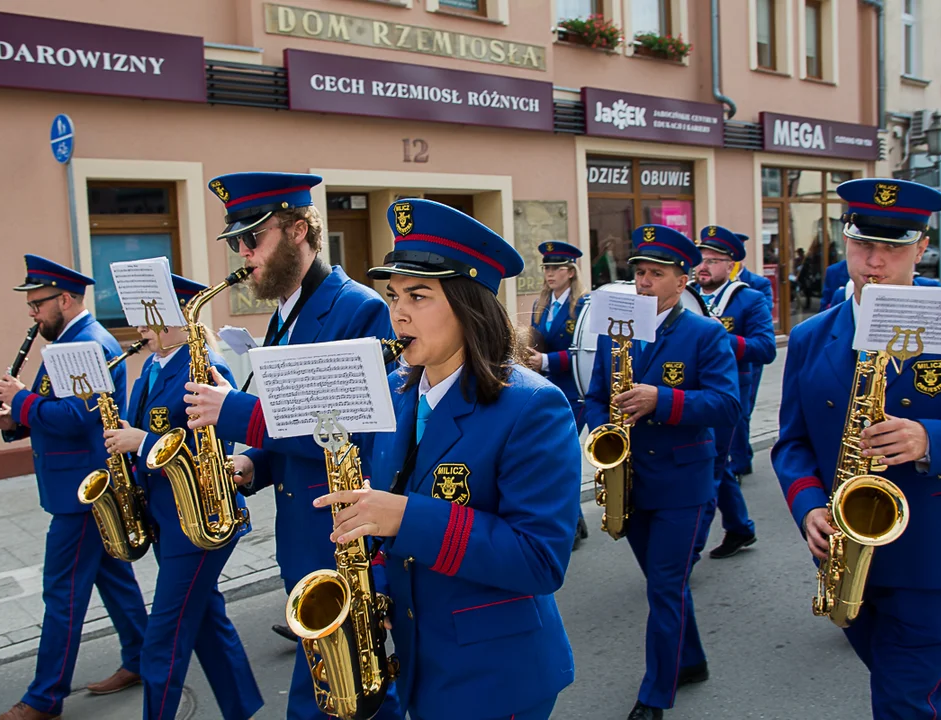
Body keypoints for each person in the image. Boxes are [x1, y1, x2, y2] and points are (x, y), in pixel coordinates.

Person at [312, 198, 579, 719]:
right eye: (393, 296)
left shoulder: (533, 406)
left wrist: (403, 516)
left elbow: (540, 561)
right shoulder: (396, 392)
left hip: (496, 675)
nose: (398, 312)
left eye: (418, 295)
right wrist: (378, 588)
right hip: (423, 661)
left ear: (467, 304)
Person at [181, 172, 402, 720]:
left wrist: (236, 413)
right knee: (344, 691)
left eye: (253, 237)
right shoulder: (284, 310)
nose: (242, 251)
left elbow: (351, 431)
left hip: (342, 533)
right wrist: (251, 464)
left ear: (300, 230)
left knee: (354, 694)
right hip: (304, 535)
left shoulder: (359, 309)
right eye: (236, 241)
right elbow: (296, 418)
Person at [773, 178, 941, 720]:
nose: (874, 262)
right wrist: (809, 504)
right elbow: (790, 441)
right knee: (894, 686)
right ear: (845, 240)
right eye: (863, 245)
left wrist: (931, 438)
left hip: (932, 554)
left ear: (923, 248)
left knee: (904, 700)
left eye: (893, 247)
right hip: (846, 549)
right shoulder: (814, 335)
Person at [585, 226, 740, 720]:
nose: (645, 282)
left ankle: (655, 695)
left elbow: (728, 405)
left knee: (666, 585)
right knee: (660, 579)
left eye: (657, 274)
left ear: (682, 280)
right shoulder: (618, 329)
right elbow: (592, 396)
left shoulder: (706, 334)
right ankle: (689, 660)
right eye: (639, 273)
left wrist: (662, 400)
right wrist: (599, 431)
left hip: (682, 483)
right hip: (629, 480)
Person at [0, 255, 147, 720]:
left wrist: (21, 400)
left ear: (66, 298)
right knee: (111, 578)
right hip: (78, 485)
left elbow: (79, 417)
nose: (32, 314)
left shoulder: (87, 344)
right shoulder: (70, 341)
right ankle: (138, 657)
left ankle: (44, 698)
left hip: (84, 491)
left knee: (61, 594)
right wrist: (15, 418)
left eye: (38, 304)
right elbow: (53, 410)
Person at [102, 274, 263, 720]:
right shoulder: (151, 369)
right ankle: (242, 709)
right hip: (166, 517)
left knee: (164, 636)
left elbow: (211, 453)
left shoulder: (204, 367)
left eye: (148, 318)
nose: (140, 329)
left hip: (199, 520)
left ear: (178, 318)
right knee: (208, 621)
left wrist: (141, 442)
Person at [690, 227, 776, 561]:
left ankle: (689, 551)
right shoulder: (690, 295)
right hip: (695, 393)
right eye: (700, 260)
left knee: (710, 468)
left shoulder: (747, 299)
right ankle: (740, 527)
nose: (704, 267)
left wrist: (714, 338)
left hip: (728, 394)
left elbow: (765, 348)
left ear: (730, 265)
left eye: (713, 261)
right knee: (718, 464)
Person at [525, 240, 590, 548]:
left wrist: (548, 360)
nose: (550, 274)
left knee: (561, 455)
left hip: (573, 389)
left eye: (556, 268)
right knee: (557, 455)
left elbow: (586, 352)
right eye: (547, 268)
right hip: (548, 387)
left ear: (571, 272)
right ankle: (575, 519)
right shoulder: (542, 302)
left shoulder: (583, 305)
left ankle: (573, 521)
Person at [730, 233, 776, 477]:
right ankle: (738, 455)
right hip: (721, 361)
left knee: (743, 410)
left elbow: (763, 317)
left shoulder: (756, 285)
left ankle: (739, 461)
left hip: (747, 359)